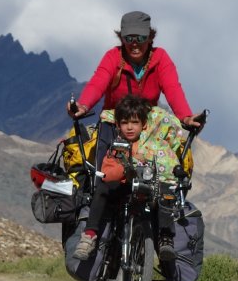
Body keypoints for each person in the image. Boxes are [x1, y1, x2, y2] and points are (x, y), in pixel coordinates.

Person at [72, 94, 186, 262]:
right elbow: (107, 172)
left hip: (149, 190)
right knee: (102, 188)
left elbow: (168, 167)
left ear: (144, 124)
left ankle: (165, 238)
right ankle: (89, 235)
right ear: (118, 125)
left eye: (134, 122)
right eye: (125, 123)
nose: (130, 127)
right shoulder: (117, 146)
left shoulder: (156, 146)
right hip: (124, 189)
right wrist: (125, 169)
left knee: (166, 192)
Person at [68, 10, 201, 135]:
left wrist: (186, 117)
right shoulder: (112, 57)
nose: (135, 44)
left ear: (150, 38)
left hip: (148, 125)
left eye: (141, 38)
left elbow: (173, 88)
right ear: (122, 39)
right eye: (129, 38)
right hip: (115, 124)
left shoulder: (160, 58)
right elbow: (97, 84)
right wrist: (83, 106)